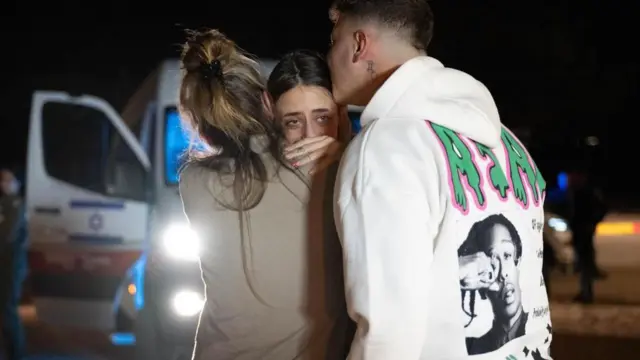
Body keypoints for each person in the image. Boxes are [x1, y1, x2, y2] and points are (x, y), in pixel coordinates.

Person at [327, 0, 552, 358]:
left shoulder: (385, 146)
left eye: (333, 39)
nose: (329, 56)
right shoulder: (508, 140)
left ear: (358, 45)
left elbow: (387, 330)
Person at [177, 30, 351, 359]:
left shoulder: (192, 183)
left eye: (322, 118)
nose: (310, 136)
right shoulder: (325, 172)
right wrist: (347, 154)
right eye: (295, 121)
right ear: (269, 105)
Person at [568, 170, 607, 304]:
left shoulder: (585, 193)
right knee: (583, 262)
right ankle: (586, 291)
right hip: (581, 231)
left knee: (585, 262)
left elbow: (600, 209)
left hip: (584, 231)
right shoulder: (579, 192)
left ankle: (587, 293)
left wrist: (592, 223)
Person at [0, 168, 27, 360]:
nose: (6, 183)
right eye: (3, 180)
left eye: (10, 180)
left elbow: (8, 234)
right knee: (5, 309)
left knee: (8, 309)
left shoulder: (16, 204)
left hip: (12, 264)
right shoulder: (4, 203)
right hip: (5, 263)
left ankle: (16, 355)